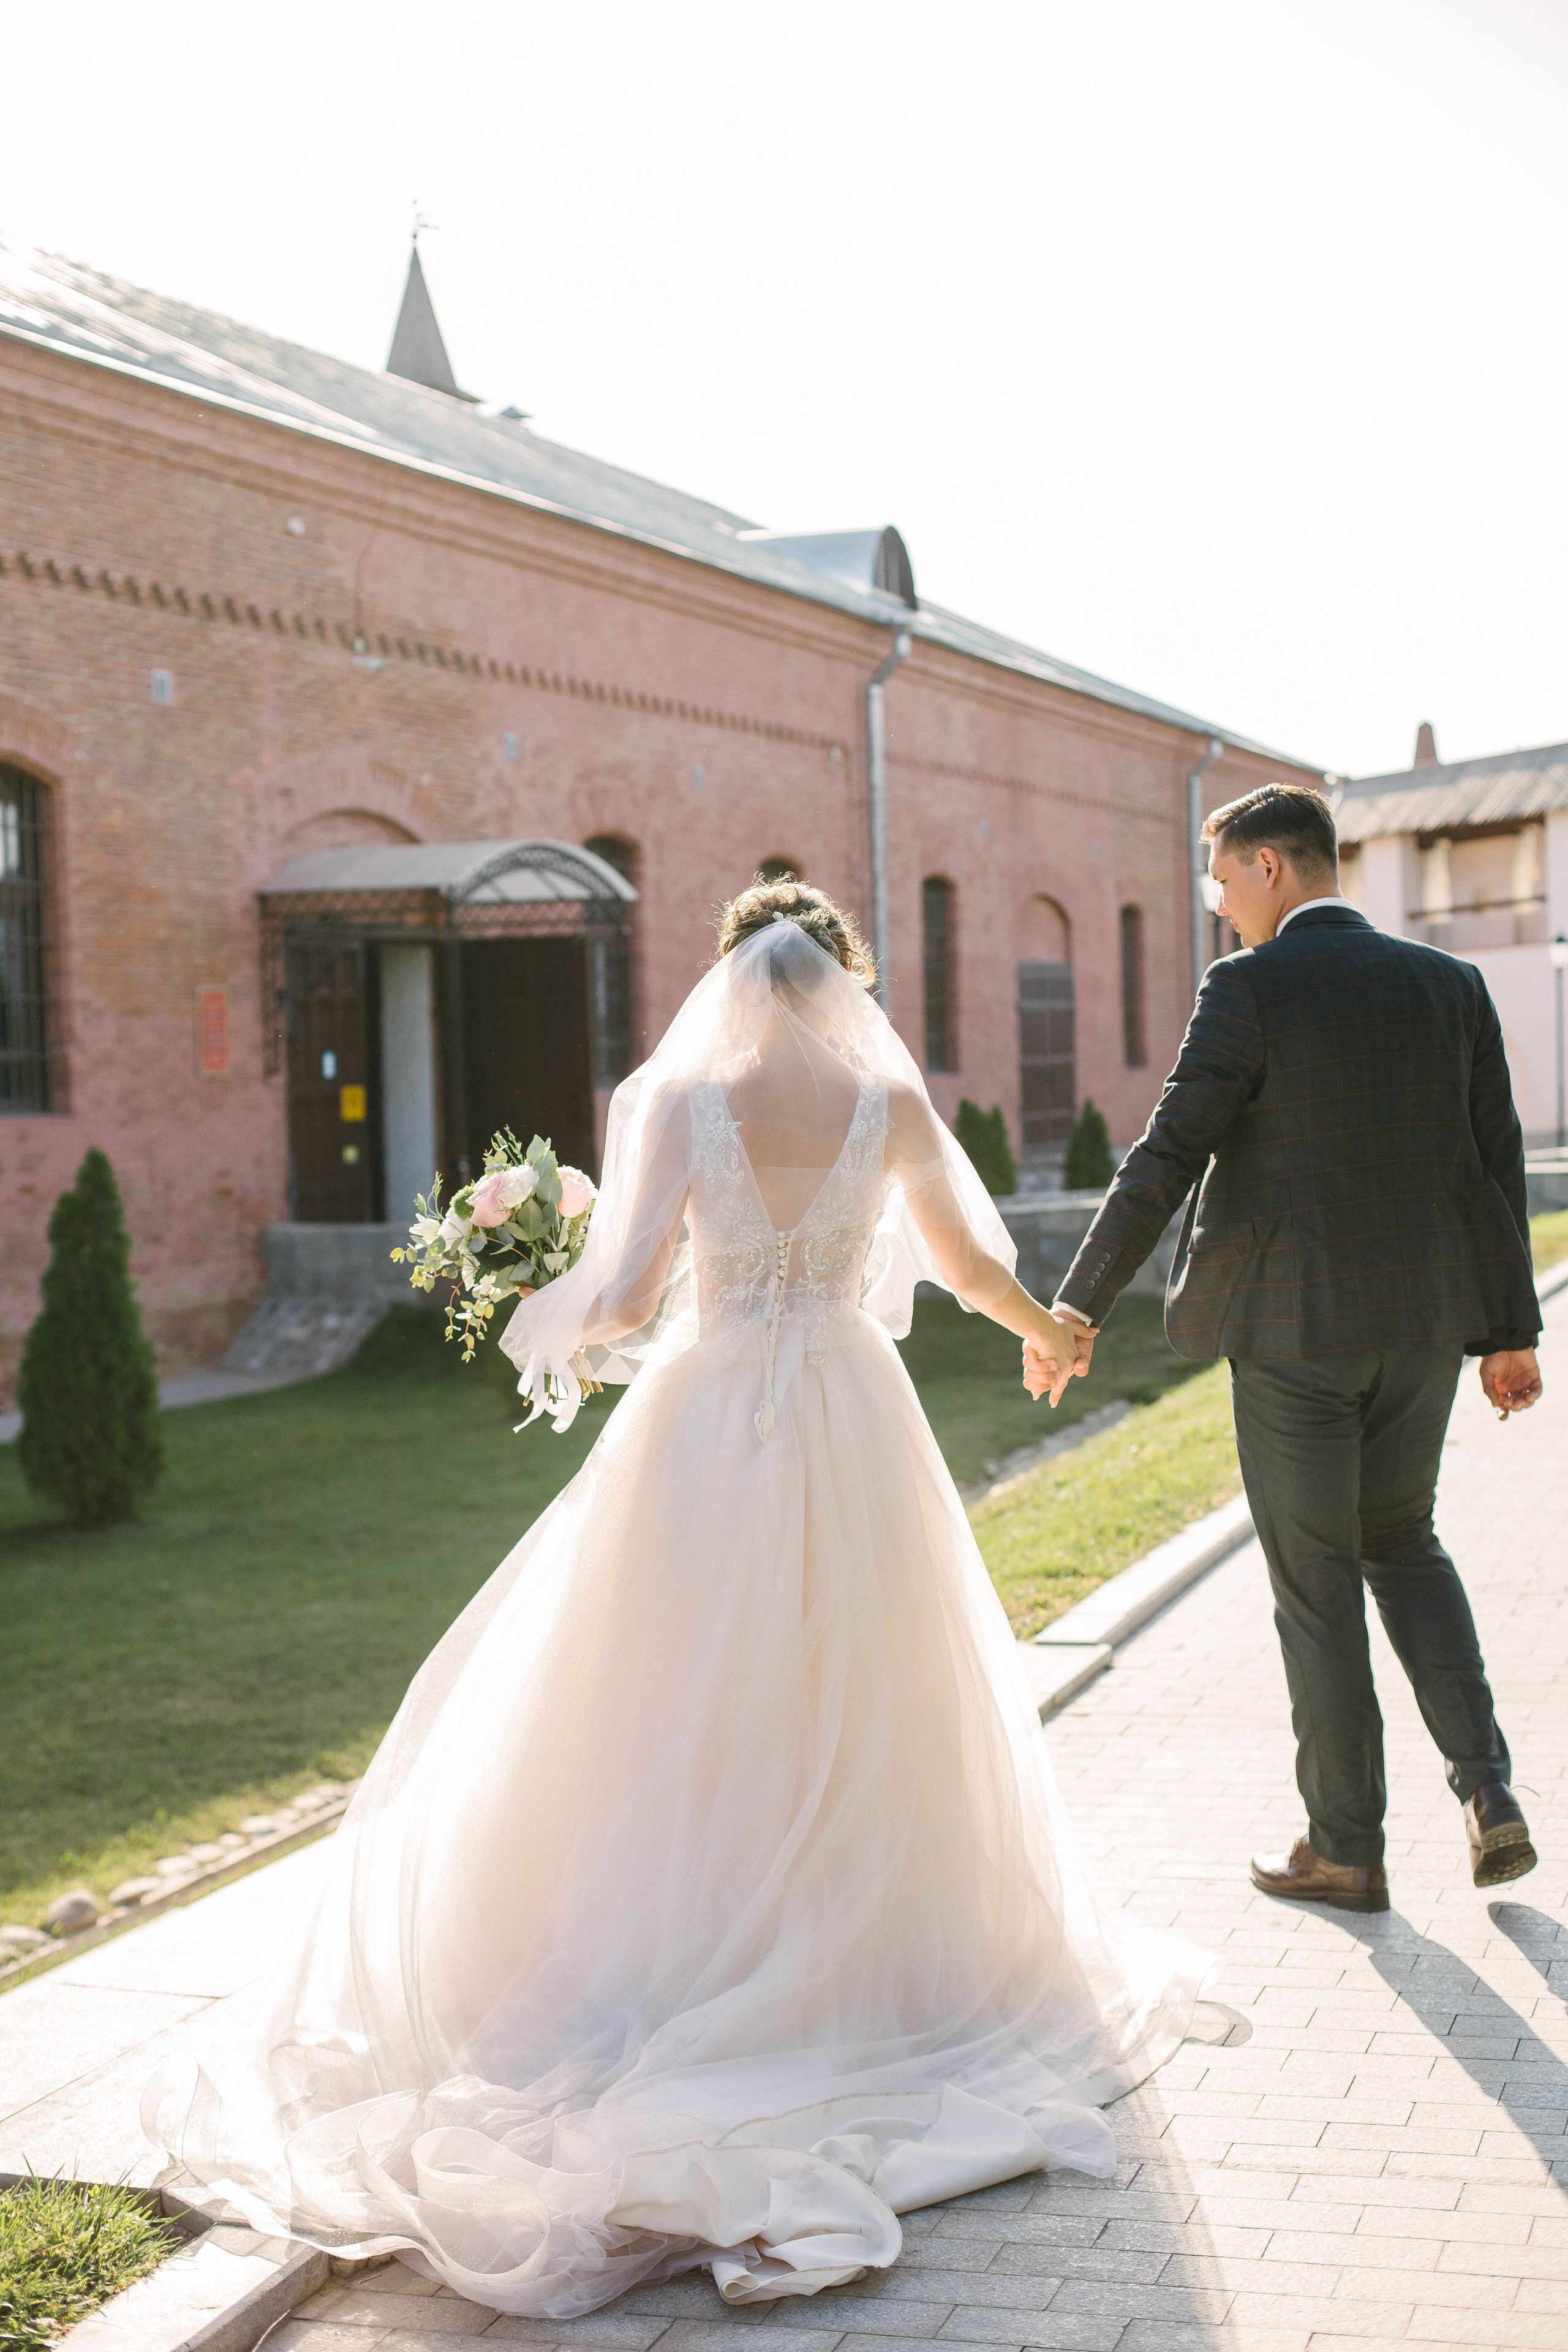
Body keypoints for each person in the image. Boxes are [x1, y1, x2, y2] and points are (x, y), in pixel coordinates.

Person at [143, 879, 1207, 2318]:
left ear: (729, 976)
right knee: (860, 1685)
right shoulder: (888, 1105)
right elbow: (964, 1265)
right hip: (849, 1409)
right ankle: (860, 1963)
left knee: (669, 1690)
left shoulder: (682, 1103)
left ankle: (677, 1950)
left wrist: (536, 1302)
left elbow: (635, 1297)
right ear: (842, 979)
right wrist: (1052, 1330)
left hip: (708, 1421)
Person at [1031, 783, 1542, 1913]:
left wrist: (1078, 1306)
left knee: (1316, 1587)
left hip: (1293, 1337)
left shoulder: (1247, 988)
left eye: (1222, 878)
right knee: (1404, 1544)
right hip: (1423, 1331)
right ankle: (1488, 1787)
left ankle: (1345, 1848)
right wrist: (1510, 1335)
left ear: (1269, 866)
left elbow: (1168, 1153)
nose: (1219, 904)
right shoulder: (1451, 986)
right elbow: (1495, 1163)